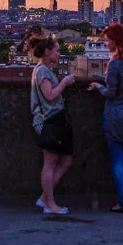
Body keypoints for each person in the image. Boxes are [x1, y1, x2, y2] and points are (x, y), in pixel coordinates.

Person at [88, 23, 123, 213]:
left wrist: (98, 87)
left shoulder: (115, 64)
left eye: (108, 41)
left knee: (117, 162)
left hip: (115, 119)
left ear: (116, 42)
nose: (106, 44)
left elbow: (111, 93)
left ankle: (122, 202)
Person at [30, 34, 76, 215]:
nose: (59, 54)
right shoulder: (42, 71)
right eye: (57, 51)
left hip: (56, 119)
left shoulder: (43, 70)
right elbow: (49, 95)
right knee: (50, 162)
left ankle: (45, 198)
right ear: (47, 52)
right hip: (49, 120)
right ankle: (50, 204)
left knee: (65, 160)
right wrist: (65, 82)